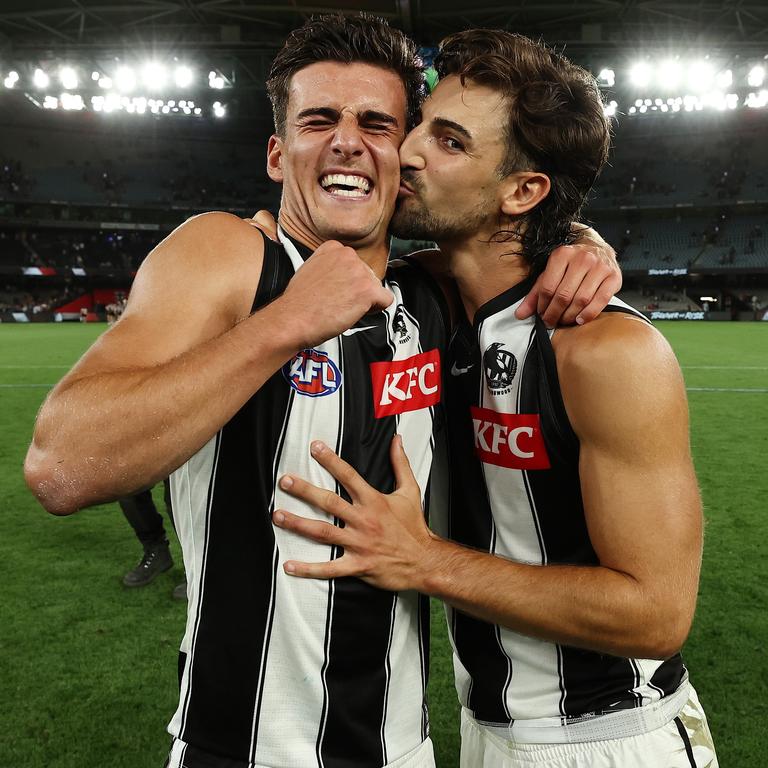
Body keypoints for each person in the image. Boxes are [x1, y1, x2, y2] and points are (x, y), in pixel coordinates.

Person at [24, 16, 619, 768]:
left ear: (402, 159)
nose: (346, 140)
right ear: (279, 154)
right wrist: (287, 321)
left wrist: (583, 243)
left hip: (400, 748)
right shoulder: (232, 256)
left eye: (376, 122)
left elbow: (509, 238)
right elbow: (61, 465)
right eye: (318, 120)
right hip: (237, 749)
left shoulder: (426, 298)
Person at [271, 29, 718, 768]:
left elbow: (656, 613)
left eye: (448, 142)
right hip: (482, 731)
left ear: (522, 190)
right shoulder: (422, 305)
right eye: (419, 126)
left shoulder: (605, 351)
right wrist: (580, 237)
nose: (407, 152)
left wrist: (423, 560)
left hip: (612, 740)